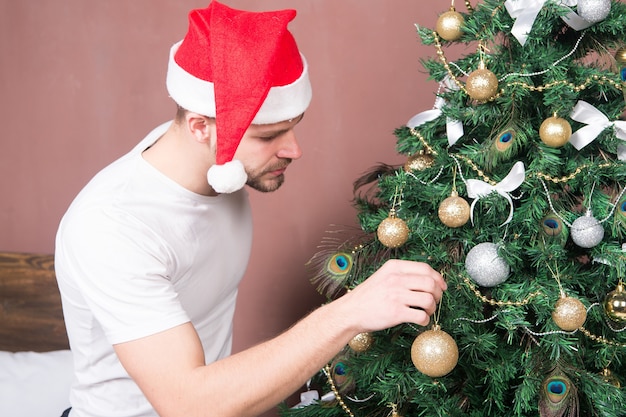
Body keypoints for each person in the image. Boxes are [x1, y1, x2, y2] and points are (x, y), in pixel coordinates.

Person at [54, 2, 447, 417]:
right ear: (199, 128)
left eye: (294, 126)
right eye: (269, 135)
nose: (294, 150)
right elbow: (188, 403)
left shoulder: (218, 164)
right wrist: (350, 312)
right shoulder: (112, 226)